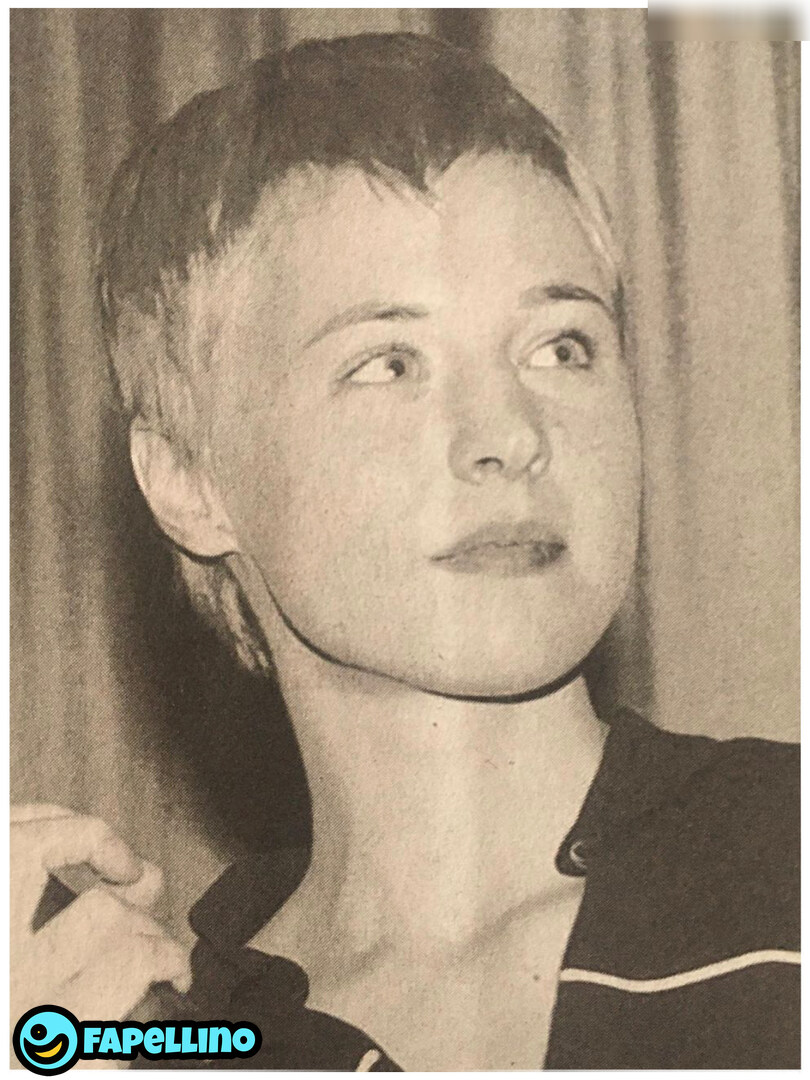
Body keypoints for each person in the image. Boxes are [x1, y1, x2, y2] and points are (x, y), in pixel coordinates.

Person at [11, 32, 798, 1070]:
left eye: (561, 345)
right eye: (388, 363)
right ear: (190, 482)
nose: (509, 434)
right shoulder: (185, 1042)